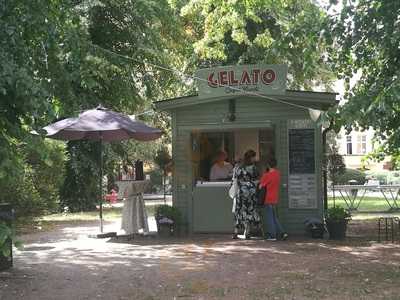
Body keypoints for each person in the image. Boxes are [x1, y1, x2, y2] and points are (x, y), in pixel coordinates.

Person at [232, 149, 261, 239]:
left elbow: (234, 179)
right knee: (249, 211)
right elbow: (257, 180)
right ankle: (247, 231)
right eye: (254, 157)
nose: (255, 159)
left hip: (240, 192)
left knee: (239, 211)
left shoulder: (238, 167)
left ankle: (236, 232)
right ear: (251, 157)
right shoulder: (253, 168)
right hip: (250, 193)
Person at [260, 158, 288, 241]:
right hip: (274, 198)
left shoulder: (266, 175)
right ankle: (282, 233)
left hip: (267, 198)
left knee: (270, 218)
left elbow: (260, 186)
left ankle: (272, 235)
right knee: (274, 217)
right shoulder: (277, 174)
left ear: (268, 165)